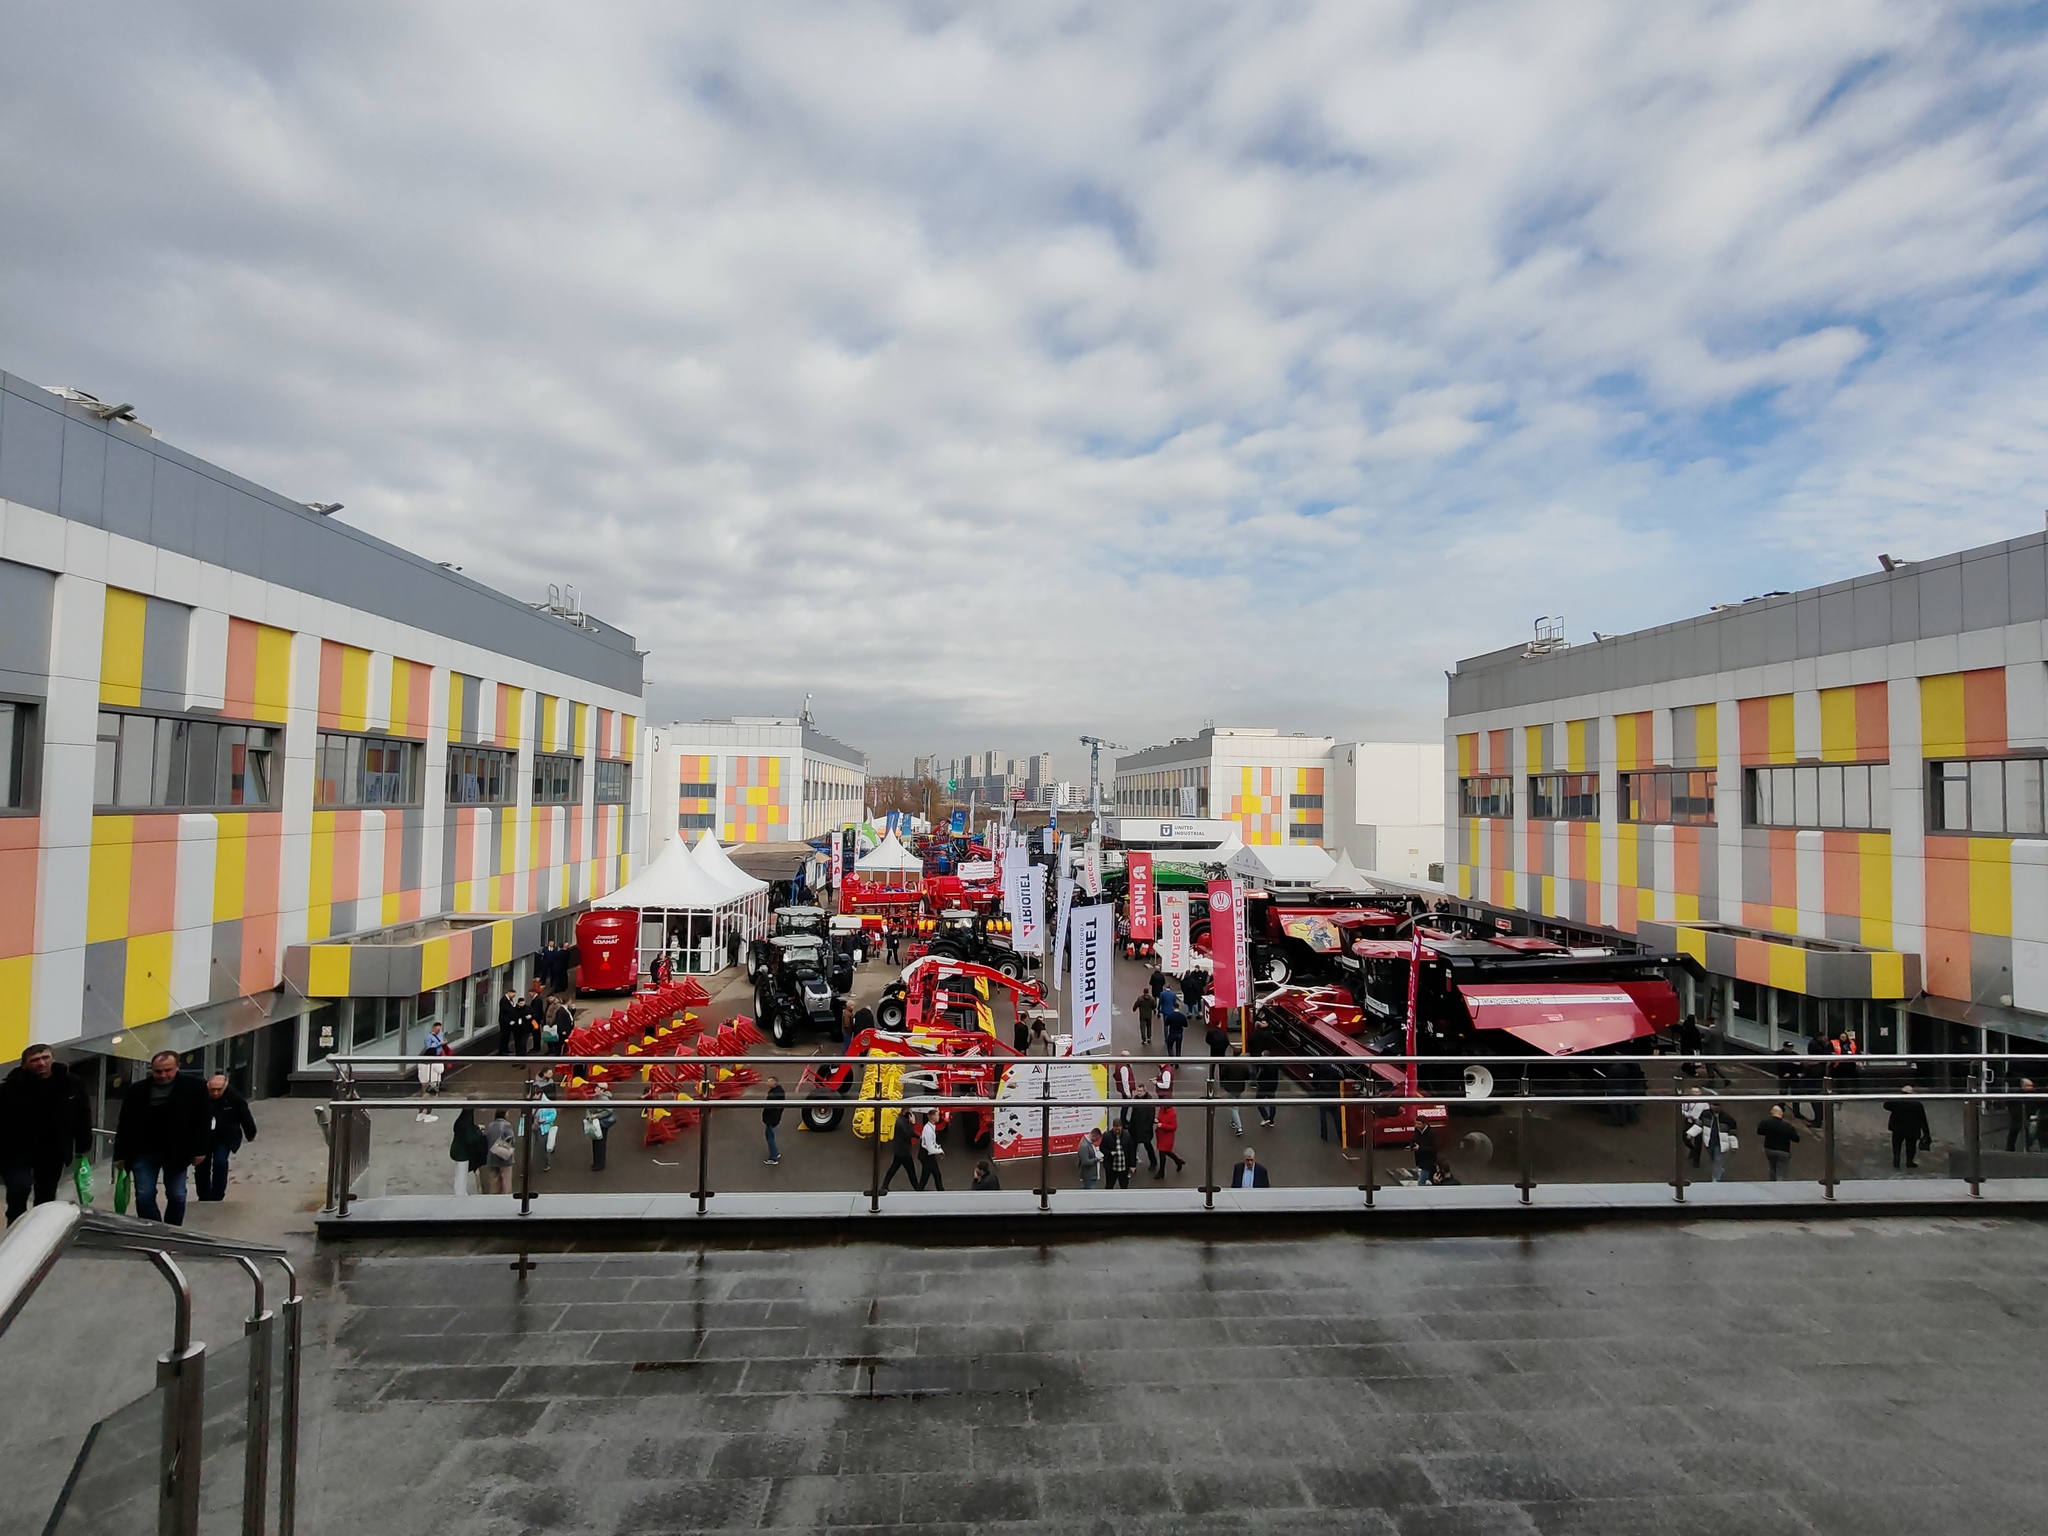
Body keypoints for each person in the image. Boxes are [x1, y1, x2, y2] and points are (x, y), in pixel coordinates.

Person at [113, 1052, 211, 1225]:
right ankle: (154, 1230)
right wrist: (120, 1154)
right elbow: (126, 1123)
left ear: (177, 1068)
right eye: (158, 1071)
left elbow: (202, 1119)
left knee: (177, 1195)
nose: (163, 1075)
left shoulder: (194, 1086)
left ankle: (172, 1231)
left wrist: (201, 1149)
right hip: (143, 1150)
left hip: (178, 1150)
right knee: (144, 1195)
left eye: (168, 1070)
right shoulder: (137, 1090)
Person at [0, 1044, 94, 1224]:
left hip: (53, 1149)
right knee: (18, 1190)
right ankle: (16, 1226)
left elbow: (82, 1115)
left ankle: (40, 1229)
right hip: (16, 1151)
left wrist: (83, 1145)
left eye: (45, 1058)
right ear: (24, 1065)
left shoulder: (71, 1084)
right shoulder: (9, 1089)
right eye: (35, 1060)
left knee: (46, 1194)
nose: (41, 1063)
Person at [196, 1074, 258, 1203]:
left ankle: (217, 1194)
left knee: (220, 1162)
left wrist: (250, 1133)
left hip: (225, 1136)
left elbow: (244, 1116)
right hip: (204, 1135)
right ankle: (204, 1194)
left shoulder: (234, 1097)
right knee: (202, 1164)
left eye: (219, 1089)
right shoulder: (200, 1096)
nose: (215, 1093)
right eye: (212, 1090)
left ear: (225, 1087)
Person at [1885, 1087, 1933, 1170]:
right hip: (1912, 1128)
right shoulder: (1917, 1104)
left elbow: (1886, 1105)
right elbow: (1922, 1119)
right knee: (1911, 1146)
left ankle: (1896, 1161)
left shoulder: (1896, 1102)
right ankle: (1909, 1162)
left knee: (1896, 1145)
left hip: (1897, 1128)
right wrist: (1926, 1132)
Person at [448, 1108, 489, 1195]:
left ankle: (460, 1191)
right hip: (463, 1153)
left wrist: (477, 1128)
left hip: (457, 1151)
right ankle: (460, 1193)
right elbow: (470, 1138)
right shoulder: (466, 1124)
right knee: (461, 1175)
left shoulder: (461, 1121)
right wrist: (479, 1134)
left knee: (459, 1173)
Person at [1756, 1104, 1801, 1181]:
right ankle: (1779, 1187)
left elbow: (1759, 1132)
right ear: (1781, 1113)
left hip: (1769, 1149)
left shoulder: (1765, 1122)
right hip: (1783, 1151)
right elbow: (1796, 1139)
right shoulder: (1787, 1126)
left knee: (1772, 1167)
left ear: (1772, 1112)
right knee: (1781, 1172)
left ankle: (1772, 1183)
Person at [882, 1110, 923, 1192]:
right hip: (903, 1151)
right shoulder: (901, 1122)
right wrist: (913, 1124)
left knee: (894, 1168)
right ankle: (917, 1188)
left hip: (900, 1150)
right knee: (911, 1170)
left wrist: (918, 1136)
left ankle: (884, 1185)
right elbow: (908, 1133)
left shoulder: (902, 1120)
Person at [417, 1020, 450, 1119]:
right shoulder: (429, 1039)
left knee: (424, 1096)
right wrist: (440, 1044)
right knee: (432, 1096)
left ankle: (420, 1114)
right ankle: (428, 1115)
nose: (439, 1031)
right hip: (433, 1080)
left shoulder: (421, 1063)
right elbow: (440, 1070)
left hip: (424, 1080)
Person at [585, 1087, 616, 1172]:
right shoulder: (597, 1098)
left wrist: (596, 1116)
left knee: (600, 1144)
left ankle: (599, 1164)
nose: (595, 1090)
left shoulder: (604, 1099)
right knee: (596, 1142)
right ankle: (597, 1162)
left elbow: (609, 1111)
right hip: (597, 1123)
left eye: (597, 1088)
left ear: (602, 1090)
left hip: (602, 1124)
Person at [1220, 1047, 1250, 1137]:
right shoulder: (1243, 1065)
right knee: (1236, 1106)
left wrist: (1223, 1082)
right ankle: (1233, 1121)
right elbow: (1248, 1077)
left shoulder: (1229, 1064)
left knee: (1234, 1108)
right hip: (1240, 1088)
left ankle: (1239, 1127)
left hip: (1230, 1087)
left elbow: (1223, 1074)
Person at [1128, 1091, 1159, 1173]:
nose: (1139, 1092)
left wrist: (1147, 1128)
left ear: (1145, 1091)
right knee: (1133, 1147)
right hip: (1135, 1129)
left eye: (1140, 1091)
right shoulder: (1136, 1100)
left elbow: (1151, 1116)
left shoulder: (1149, 1102)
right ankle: (1132, 1165)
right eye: (1138, 1091)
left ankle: (1153, 1162)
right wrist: (1130, 1126)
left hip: (1144, 1130)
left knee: (1148, 1146)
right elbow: (1133, 1115)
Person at [1153, 1101, 1185, 1178]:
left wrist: (1162, 1125)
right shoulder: (1162, 1109)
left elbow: (1174, 1127)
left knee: (1162, 1153)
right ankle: (1178, 1161)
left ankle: (1162, 1171)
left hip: (1167, 1137)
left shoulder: (1172, 1114)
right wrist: (1157, 1120)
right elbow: (1160, 1118)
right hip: (1161, 1135)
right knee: (1166, 1151)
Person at [918, 1110, 946, 1191]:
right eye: (937, 1115)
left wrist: (938, 1148)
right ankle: (940, 1190)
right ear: (932, 1117)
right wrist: (940, 1151)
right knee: (933, 1175)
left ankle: (940, 1190)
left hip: (927, 1155)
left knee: (933, 1175)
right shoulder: (928, 1131)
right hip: (927, 1156)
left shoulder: (930, 1127)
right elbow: (930, 1148)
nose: (939, 1117)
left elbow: (932, 1143)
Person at [2007, 1077, 2037, 1153]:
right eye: (2029, 1086)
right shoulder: (2015, 1094)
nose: (2031, 1088)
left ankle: (2028, 1146)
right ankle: (2010, 1147)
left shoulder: (2033, 1094)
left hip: (2029, 1116)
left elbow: (2034, 1106)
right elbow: (2010, 1105)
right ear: (2023, 1086)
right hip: (2018, 1116)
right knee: (2014, 1128)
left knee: (2031, 1130)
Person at [762, 1076, 786, 1166]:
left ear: (774, 1083)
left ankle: (773, 1157)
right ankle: (775, 1153)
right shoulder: (779, 1091)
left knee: (770, 1137)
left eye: (769, 1082)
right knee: (771, 1136)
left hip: (771, 1119)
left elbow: (770, 1108)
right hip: (775, 1119)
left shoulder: (773, 1095)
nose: (767, 1083)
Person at [1103, 1118, 1132, 1189]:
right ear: (1113, 1127)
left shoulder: (1127, 1136)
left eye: (1118, 1129)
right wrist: (1109, 1153)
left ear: (1121, 1127)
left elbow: (1131, 1151)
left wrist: (1132, 1165)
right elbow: (1102, 1148)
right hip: (1111, 1167)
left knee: (1124, 1186)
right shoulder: (1107, 1136)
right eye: (1115, 1129)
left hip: (1123, 1167)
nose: (1117, 1130)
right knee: (1109, 1185)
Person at [497, 986, 524, 1055]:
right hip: (505, 1021)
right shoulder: (504, 1000)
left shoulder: (509, 1000)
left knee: (507, 1036)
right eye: (513, 995)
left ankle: (506, 1049)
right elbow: (507, 1010)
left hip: (509, 1021)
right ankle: (502, 1051)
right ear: (509, 993)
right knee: (504, 1036)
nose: (514, 996)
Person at [1161, 990, 1186, 1059]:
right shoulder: (1182, 1016)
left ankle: (1171, 1059)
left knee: (1170, 1047)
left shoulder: (1170, 1016)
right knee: (1178, 1048)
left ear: (1173, 1007)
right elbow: (1185, 1025)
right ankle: (1178, 1061)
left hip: (1172, 1033)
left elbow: (1166, 1023)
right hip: (1179, 1034)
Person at [1413, 1120, 1439, 1184]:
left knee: (1421, 1182)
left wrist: (1420, 1148)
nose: (1416, 1125)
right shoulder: (1417, 1131)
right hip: (1420, 1161)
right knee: (1430, 1180)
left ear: (1424, 1124)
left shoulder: (1432, 1134)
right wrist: (1411, 1145)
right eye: (1416, 1123)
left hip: (1428, 1163)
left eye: (1419, 1124)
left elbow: (1434, 1148)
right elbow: (1414, 1140)